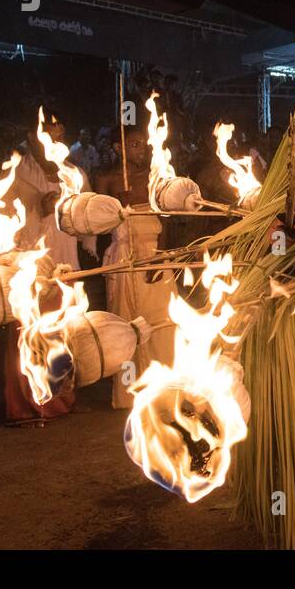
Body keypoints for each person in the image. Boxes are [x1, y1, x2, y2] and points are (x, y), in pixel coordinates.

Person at [3, 110, 86, 426]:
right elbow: (5, 220)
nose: (57, 141)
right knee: (31, 334)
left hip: (66, 263)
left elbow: (86, 219)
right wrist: (38, 209)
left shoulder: (73, 173)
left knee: (63, 334)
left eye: (61, 135)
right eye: (50, 135)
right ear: (33, 136)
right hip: (31, 266)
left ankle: (62, 399)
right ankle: (28, 405)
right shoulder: (16, 173)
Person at [95, 126, 177, 409]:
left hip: (152, 255)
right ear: (119, 147)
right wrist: (118, 207)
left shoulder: (156, 176)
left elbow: (166, 220)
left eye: (144, 145)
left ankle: (163, 386)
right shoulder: (106, 180)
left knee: (161, 321)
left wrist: (160, 257)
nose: (142, 150)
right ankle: (128, 393)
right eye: (135, 144)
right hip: (123, 255)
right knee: (125, 322)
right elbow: (96, 222)